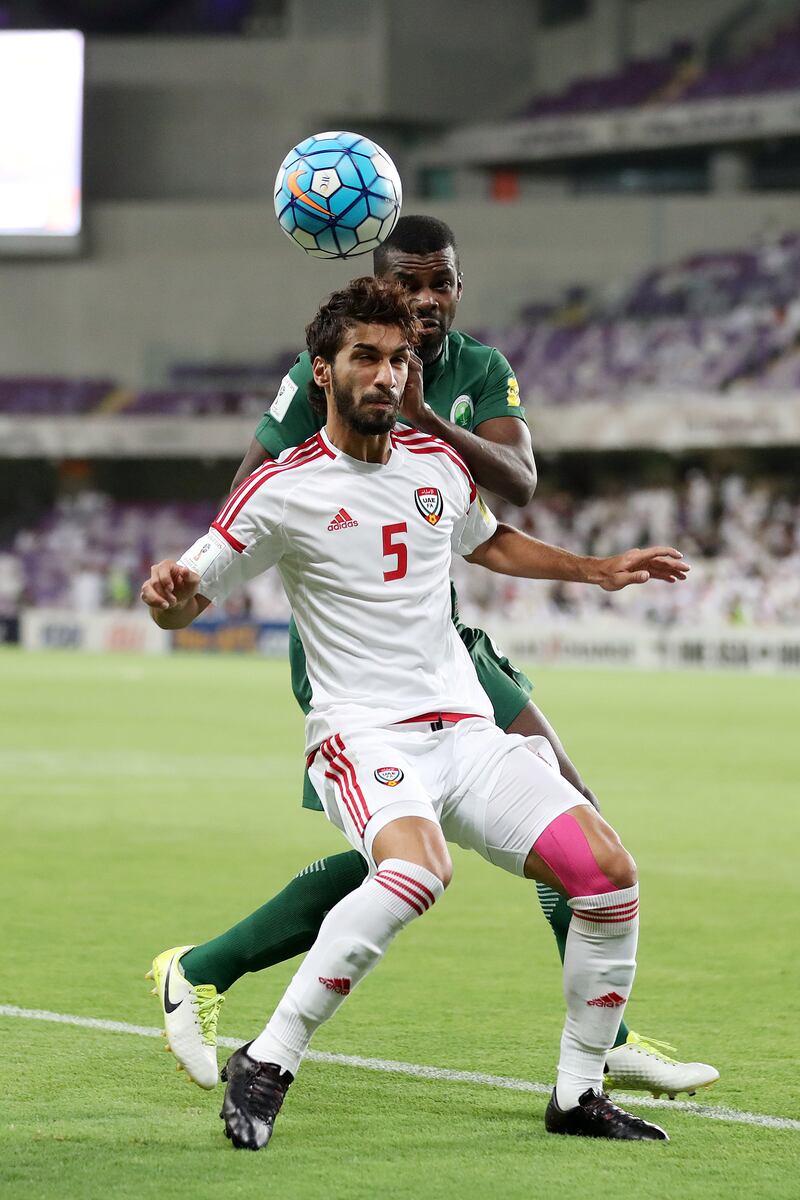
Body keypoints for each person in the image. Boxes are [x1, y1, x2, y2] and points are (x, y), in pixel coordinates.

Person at [146, 215, 717, 1102]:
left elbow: (506, 506)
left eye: (439, 285)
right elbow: (244, 509)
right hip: (355, 659)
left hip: (442, 643)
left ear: (456, 288)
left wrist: (593, 568)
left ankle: (598, 1047)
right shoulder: (322, 383)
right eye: (406, 291)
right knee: (408, 858)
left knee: (572, 829)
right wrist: (203, 579)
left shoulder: (470, 384)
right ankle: (225, 989)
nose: (421, 309)